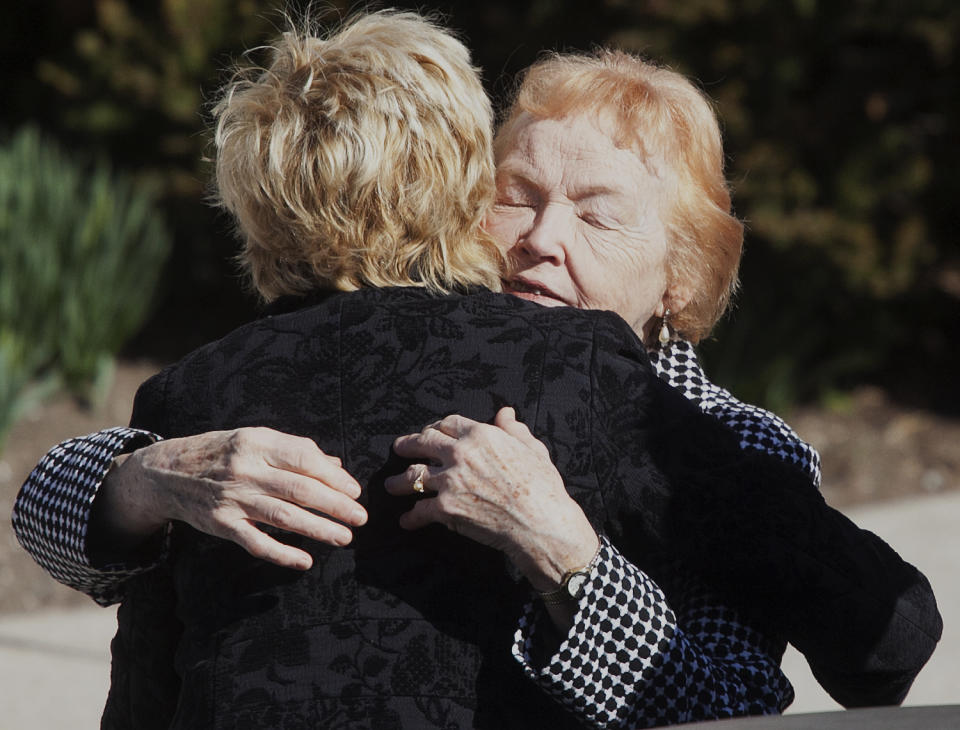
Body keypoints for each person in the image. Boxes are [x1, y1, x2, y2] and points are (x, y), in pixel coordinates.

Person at [12, 10, 938, 723]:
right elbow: (58, 527)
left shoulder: (734, 444)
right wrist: (143, 478)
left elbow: (739, 710)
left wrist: (566, 554)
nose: (540, 239)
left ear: (682, 276)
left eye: (597, 214)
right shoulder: (382, 363)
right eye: (517, 197)